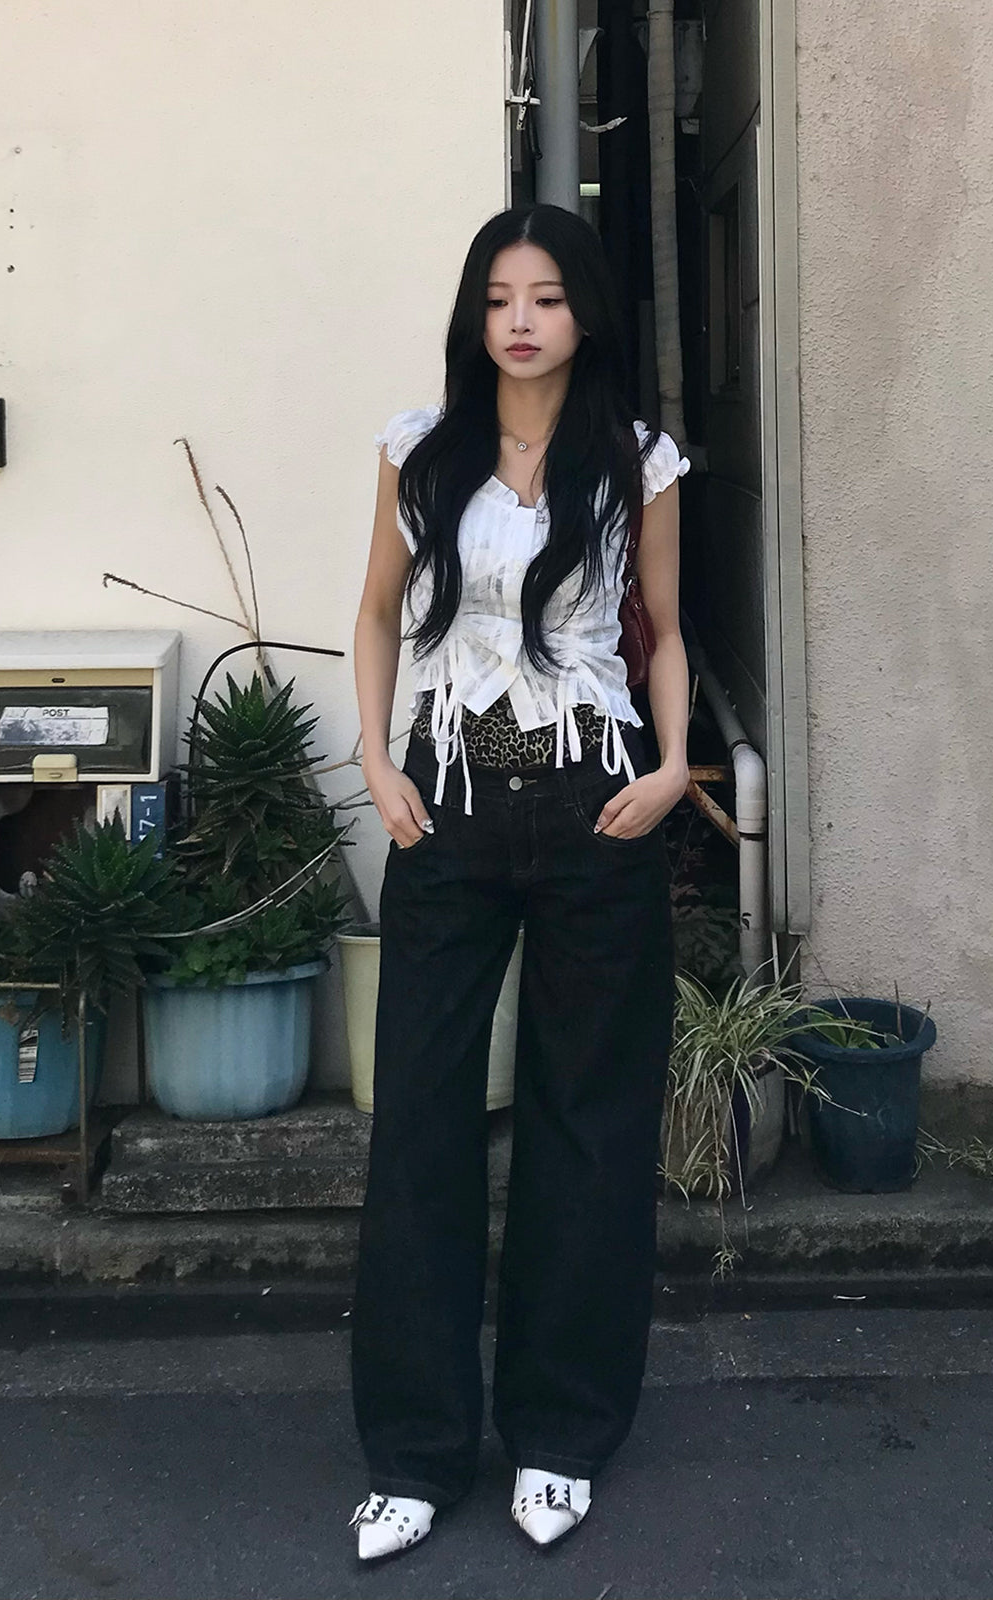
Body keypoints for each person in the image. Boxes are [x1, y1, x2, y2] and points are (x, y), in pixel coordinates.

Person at [348, 202, 690, 1562]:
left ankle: (560, 1435)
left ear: (584, 312)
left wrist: (673, 768)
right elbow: (377, 611)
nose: (522, 321)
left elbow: (663, 629)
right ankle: (416, 1452)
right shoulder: (421, 451)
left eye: (545, 297)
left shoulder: (636, 461)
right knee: (420, 1123)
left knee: (588, 1124)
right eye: (499, 298)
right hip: (447, 810)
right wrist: (376, 760)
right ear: (473, 315)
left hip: (598, 806)